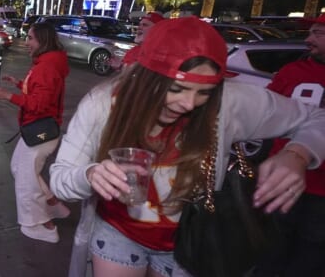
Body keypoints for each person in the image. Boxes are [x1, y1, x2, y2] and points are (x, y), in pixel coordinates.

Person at [48, 17, 325, 277]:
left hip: (192, 239)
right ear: (146, 77)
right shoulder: (102, 104)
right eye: (177, 89)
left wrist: (298, 153)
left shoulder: (228, 101)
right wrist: (90, 175)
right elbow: (60, 180)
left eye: (203, 92)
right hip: (117, 231)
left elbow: (317, 117)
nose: (189, 104)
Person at [0, 22, 71, 243]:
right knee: (19, 169)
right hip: (38, 130)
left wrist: (7, 96)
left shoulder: (46, 66)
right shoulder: (48, 63)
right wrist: (20, 84)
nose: (27, 42)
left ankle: (42, 225)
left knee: (25, 178)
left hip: (40, 132)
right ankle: (53, 205)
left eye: (30, 38)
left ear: (42, 40)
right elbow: (42, 92)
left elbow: (38, 104)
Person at [253, 14, 325, 277]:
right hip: (278, 183)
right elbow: (266, 114)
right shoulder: (292, 71)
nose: (309, 39)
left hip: (321, 195)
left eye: (318, 33)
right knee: (270, 249)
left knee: (310, 257)